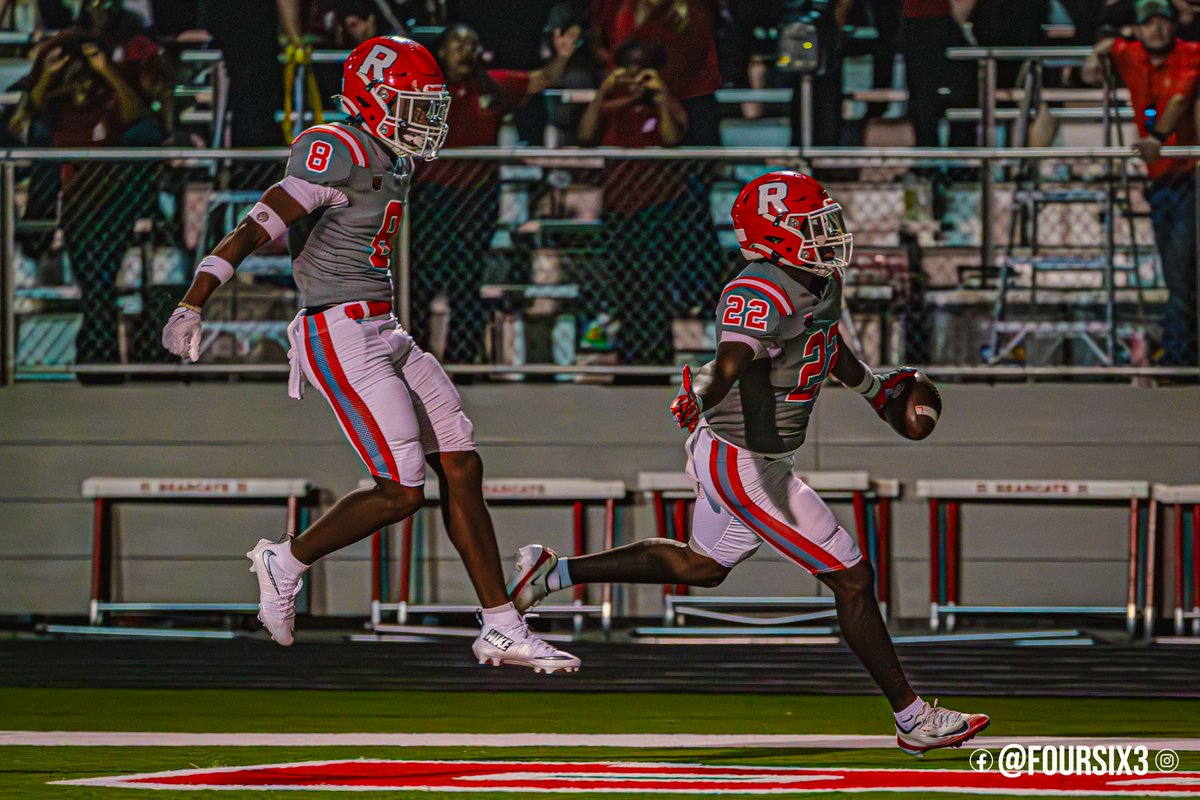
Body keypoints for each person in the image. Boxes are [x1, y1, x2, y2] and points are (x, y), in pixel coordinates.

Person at [506, 171, 990, 755]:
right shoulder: (758, 290)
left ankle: (553, 572)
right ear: (776, 235)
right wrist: (701, 392)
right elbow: (729, 360)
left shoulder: (818, 278)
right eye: (812, 225)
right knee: (852, 578)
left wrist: (873, 389)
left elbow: (820, 344)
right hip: (748, 462)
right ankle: (914, 719)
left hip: (748, 456)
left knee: (702, 567)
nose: (829, 235)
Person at [161, 36, 580, 673]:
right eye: (413, 105)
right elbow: (257, 225)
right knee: (401, 490)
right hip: (337, 331)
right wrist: (194, 300)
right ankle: (287, 558)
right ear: (373, 99)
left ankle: (500, 625)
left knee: (462, 465)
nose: (427, 120)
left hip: (384, 327)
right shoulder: (336, 146)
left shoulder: (393, 156)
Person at [1086, 0, 1200, 366]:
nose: (1157, 31)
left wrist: (1158, 136)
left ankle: (1180, 356)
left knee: (1183, 268)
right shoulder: (1130, 53)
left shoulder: (1190, 54)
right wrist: (1096, 54)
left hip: (1190, 173)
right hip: (1161, 179)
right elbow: (1102, 55)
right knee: (1173, 269)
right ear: (1137, 29)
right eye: (1148, 24)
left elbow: (1180, 99)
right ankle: (1180, 348)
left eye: (1163, 22)